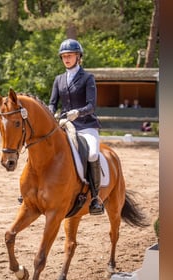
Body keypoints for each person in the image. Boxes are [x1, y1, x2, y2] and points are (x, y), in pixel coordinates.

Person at [48, 39, 104, 215]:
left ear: (78, 57)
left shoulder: (88, 78)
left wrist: (78, 113)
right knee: (43, 146)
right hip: (66, 125)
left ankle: (95, 198)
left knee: (93, 153)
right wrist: (51, 115)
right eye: (64, 56)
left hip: (86, 125)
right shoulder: (59, 79)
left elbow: (91, 105)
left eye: (70, 56)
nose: (66, 59)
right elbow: (52, 103)